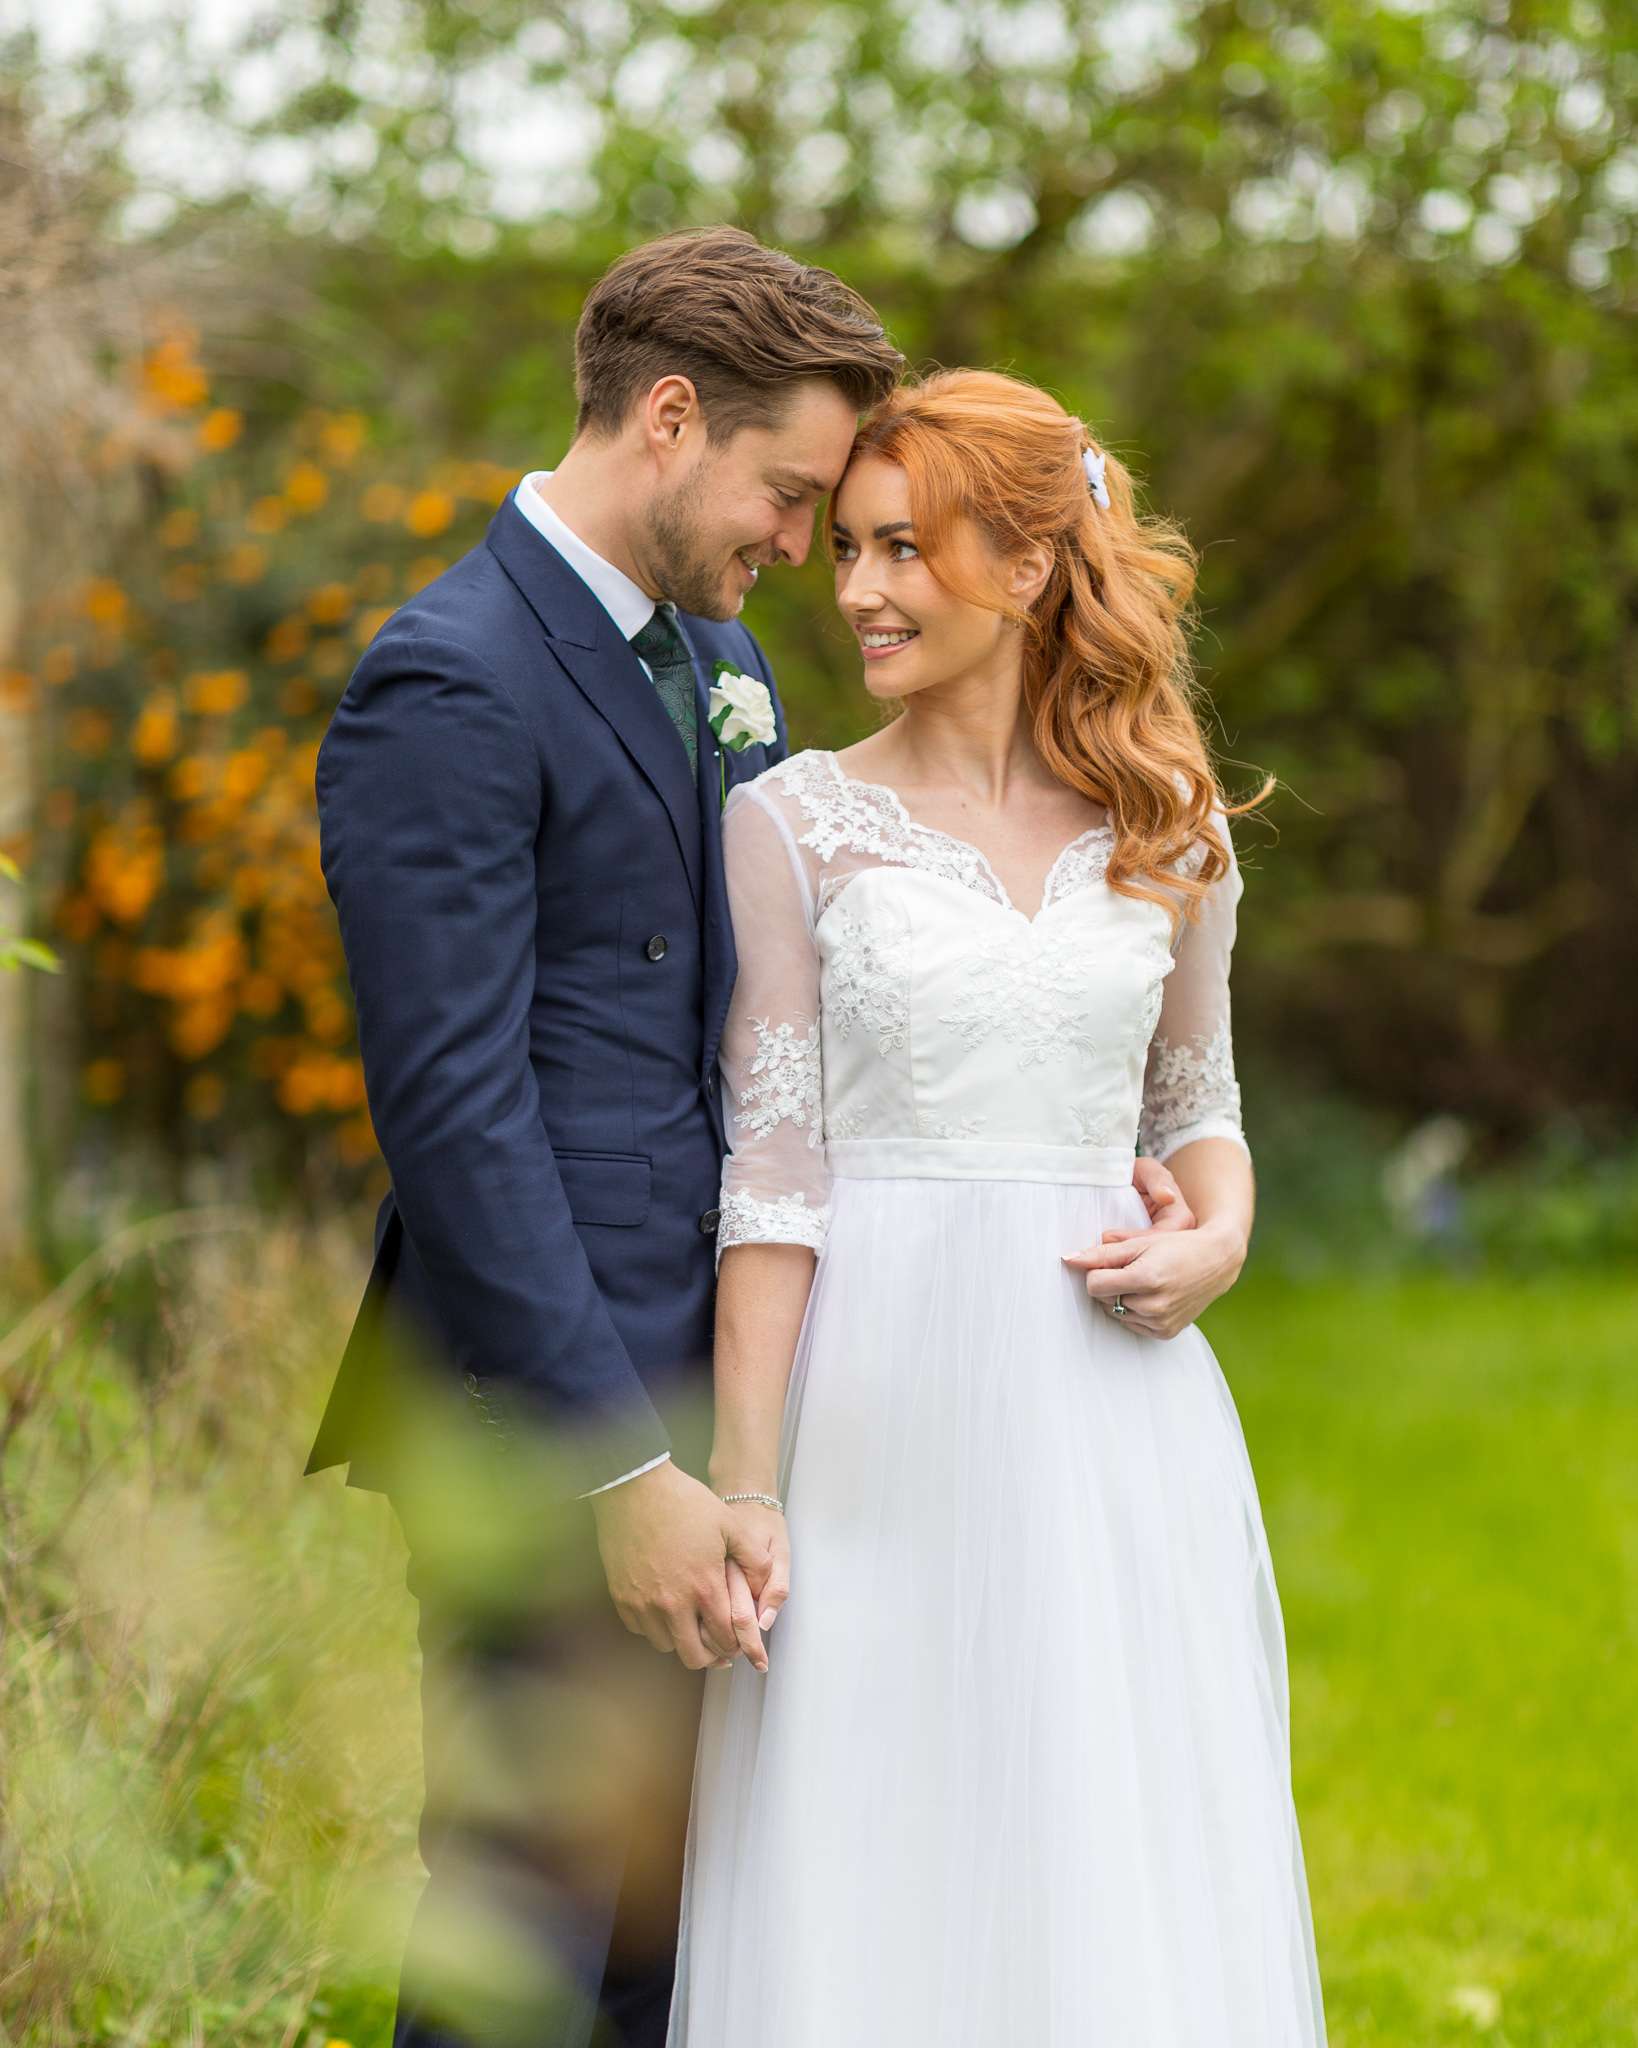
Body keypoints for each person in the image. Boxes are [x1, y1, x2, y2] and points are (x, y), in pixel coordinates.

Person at [306, 230, 1192, 2045]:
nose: (802, 550)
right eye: (790, 493)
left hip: (752, 1405)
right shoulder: (450, 679)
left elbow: (788, 1030)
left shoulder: (711, 657)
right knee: (525, 1930)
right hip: (550, 1412)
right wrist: (616, 1472)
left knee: (684, 1942)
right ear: (666, 414)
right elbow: (456, 1116)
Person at [667, 369, 1329, 2045]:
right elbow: (773, 1177)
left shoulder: (1167, 826)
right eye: (848, 548)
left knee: (1100, 1819)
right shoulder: (790, 822)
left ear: (1029, 568)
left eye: (906, 549)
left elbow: (1199, 1105)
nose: (862, 588)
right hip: (874, 1396)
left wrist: (1220, 1232)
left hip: (1107, 1408)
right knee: (877, 1820)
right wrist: (748, 1487)